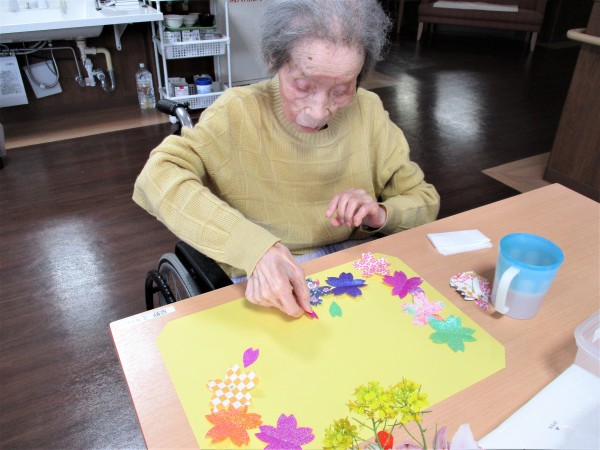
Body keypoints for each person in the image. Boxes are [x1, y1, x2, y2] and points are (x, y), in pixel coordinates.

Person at [133, 0, 440, 318]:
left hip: (351, 263)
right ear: (274, 61)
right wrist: (253, 247)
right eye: (303, 86)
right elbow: (157, 176)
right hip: (265, 275)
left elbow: (425, 201)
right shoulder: (237, 111)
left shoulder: (369, 110)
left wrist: (381, 213)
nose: (318, 111)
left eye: (341, 90)